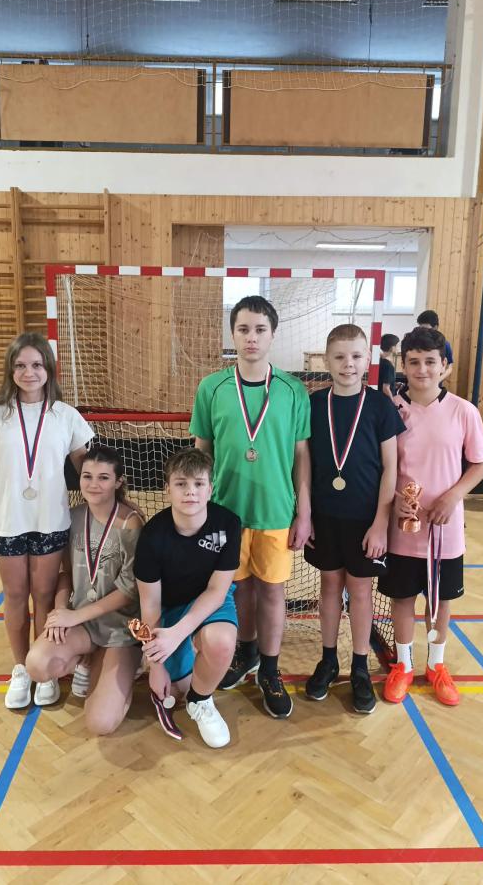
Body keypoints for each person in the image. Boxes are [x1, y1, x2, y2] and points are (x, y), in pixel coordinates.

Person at [190, 295, 311, 719]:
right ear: (233, 334)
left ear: (273, 335)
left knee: (273, 590)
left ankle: (271, 670)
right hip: (226, 512)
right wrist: (196, 511)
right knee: (238, 588)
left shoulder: (293, 390)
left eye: (260, 329)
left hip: (276, 510)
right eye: (243, 329)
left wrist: (304, 512)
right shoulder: (211, 388)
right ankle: (246, 653)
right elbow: (200, 452)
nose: (251, 337)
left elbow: (301, 456)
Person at [0, 333, 92, 710]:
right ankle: (21, 668)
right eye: (20, 365)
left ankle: (44, 670)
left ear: (48, 369)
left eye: (37, 364)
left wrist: (114, 505)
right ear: (10, 370)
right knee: (15, 595)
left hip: (50, 521)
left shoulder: (66, 415)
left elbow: (86, 468)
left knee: (43, 596)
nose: (29, 372)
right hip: (5, 522)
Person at [378, 326, 483, 706]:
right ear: (403, 365)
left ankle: (437, 665)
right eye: (414, 362)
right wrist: (394, 500)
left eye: (430, 361)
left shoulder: (464, 411)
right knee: (402, 598)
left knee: (441, 601)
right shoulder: (391, 410)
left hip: (446, 529)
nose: (422, 369)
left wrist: (454, 496)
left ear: (444, 365)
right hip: (404, 528)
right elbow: (381, 466)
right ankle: (404, 665)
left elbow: (479, 464)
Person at [304, 325, 404, 713]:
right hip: (325, 517)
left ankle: (360, 666)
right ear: (326, 360)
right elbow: (304, 463)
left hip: (366, 520)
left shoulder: (380, 406)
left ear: (368, 360)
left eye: (357, 356)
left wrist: (381, 523)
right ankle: (329, 660)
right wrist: (305, 513)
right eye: (340, 357)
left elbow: (391, 467)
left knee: (360, 591)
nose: (348, 364)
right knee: (329, 586)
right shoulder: (314, 404)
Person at [25, 446, 143, 734]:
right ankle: (86, 659)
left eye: (103, 478)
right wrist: (61, 611)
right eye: (87, 476)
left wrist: (75, 616)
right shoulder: (72, 517)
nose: (93, 484)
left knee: (101, 724)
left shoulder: (131, 523)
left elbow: (130, 590)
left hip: (120, 628)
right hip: (82, 624)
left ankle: (126, 666)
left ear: (118, 482)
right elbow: (66, 574)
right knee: (37, 665)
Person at [134, 448, 241, 748]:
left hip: (208, 601)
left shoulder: (228, 524)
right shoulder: (152, 536)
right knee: (173, 689)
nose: (190, 491)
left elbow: (217, 591)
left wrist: (177, 634)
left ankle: (201, 701)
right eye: (181, 483)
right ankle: (186, 671)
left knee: (221, 643)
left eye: (198, 483)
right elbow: (150, 603)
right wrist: (156, 664)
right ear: (167, 489)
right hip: (167, 608)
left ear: (210, 489)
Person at [416, 310, 454, 384]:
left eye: (426, 329)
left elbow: (449, 367)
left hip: (435, 385)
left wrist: (437, 381)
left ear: (435, 327)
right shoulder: (415, 343)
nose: (424, 332)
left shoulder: (444, 344)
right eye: (421, 328)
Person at [378, 334, 400, 401]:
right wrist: (392, 402)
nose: (398, 348)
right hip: (385, 401)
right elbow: (385, 388)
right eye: (397, 346)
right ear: (392, 348)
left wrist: (393, 383)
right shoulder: (388, 365)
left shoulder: (380, 361)